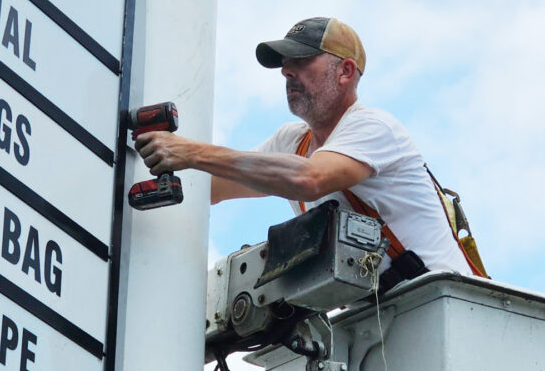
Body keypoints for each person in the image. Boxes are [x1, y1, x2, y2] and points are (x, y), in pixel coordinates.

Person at [135, 16, 472, 283]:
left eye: (301, 60)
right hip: (382, 323)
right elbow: (212, 187)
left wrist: (190, 153)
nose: (286, 70)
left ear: (345, 71)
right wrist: (141, 159)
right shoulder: (293, 142)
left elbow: (310, 178)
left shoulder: (374, 127)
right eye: (285, 63)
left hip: (444, 309)